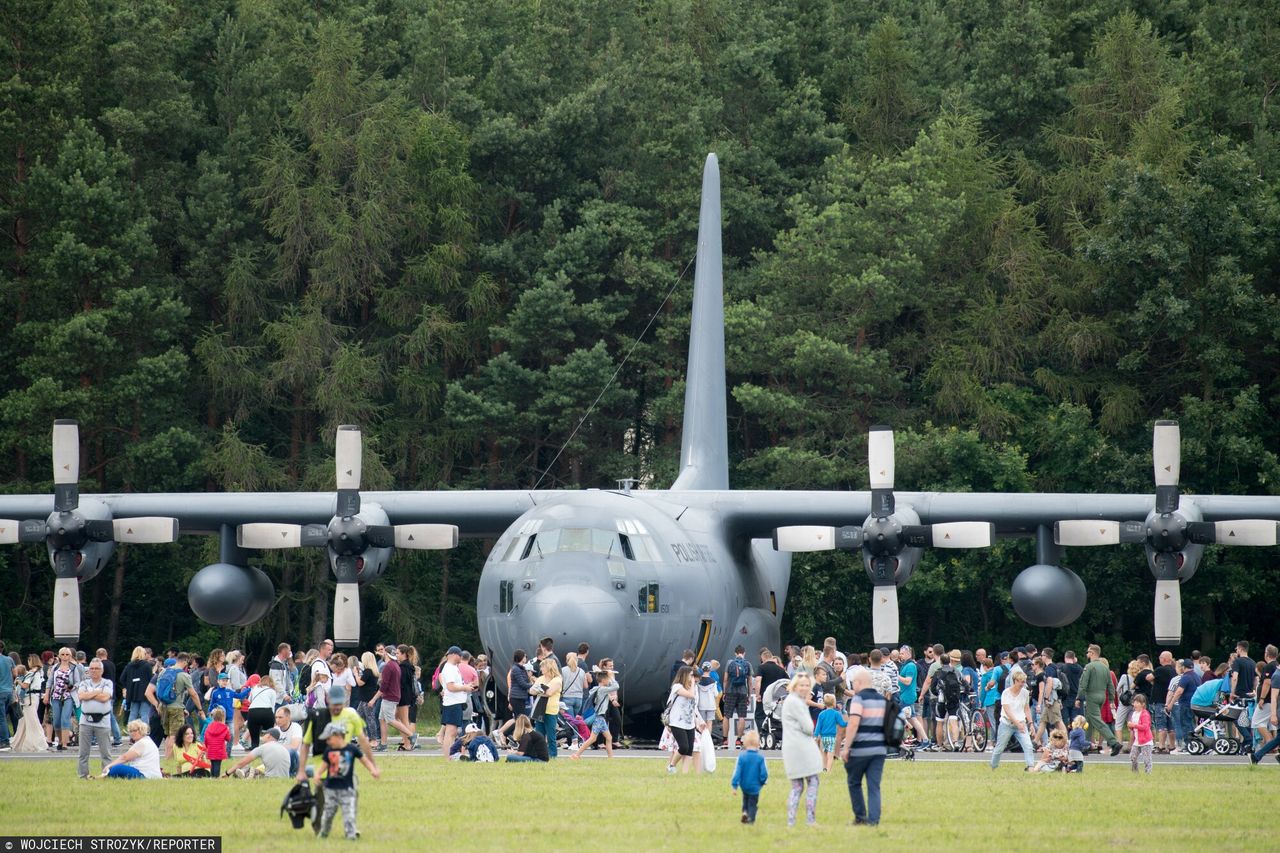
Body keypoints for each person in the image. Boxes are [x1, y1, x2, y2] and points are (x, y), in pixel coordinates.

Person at [313, 722, 379, 840]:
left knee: (349, 813)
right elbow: (324, 765)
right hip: (330, 789)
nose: (327, 742)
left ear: (338, 736)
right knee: (328, 813)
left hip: (347, 789)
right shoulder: (329, 750)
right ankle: (324, 832)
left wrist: (372, 770)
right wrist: (317, 774)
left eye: (329, 739)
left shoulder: (352, 749)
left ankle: (351, 834)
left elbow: (364, 760)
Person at [839, 668, 886, 827]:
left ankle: (860, 817)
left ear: (859, 683)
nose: (853, 687)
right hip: (879, 749)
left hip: (860, 749)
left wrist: (846, 747)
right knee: (874, 786)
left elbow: (853, 723)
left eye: (853, 684)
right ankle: (874, 821)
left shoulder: (858, 699)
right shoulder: (881, 700)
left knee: (854, 782)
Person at [781, 672, 821, 826]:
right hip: (801, 747)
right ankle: (809, 820)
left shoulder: (790, 700)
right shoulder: (796, 702)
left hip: (791, 746)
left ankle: (792, 821)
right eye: (802, 685)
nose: (805, 688)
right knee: (812, 782)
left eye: (807, 685)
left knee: (797, 786)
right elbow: (809, 727)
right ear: (795, 686)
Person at [1075, 644, 1121, 756]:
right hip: (1102, 697)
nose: (1087, 654)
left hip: (1092, 696)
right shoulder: (1105, 668)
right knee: (1089, 721)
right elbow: (1111, 685)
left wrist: (1079, 697)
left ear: (1092, 653)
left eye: (1088, 652)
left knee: (1097, 721)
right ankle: (1085, 745)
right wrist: (1110, 699)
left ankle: (1113, 742)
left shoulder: (1089, 667)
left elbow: (1083, 684)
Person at [75, 659, 114, 779]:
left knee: (105, 752)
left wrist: (90, 694)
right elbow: (81, 696)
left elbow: (105, 698)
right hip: (85, 720)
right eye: (91, 668)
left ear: (102, 670)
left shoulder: (107, 683)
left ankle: (106, 774)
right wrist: (97, 692)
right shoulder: (84, 683)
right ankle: (83, 775)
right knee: (83, 752)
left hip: (103, 721)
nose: (94, 671)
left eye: (97, 668)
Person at [990, 668, 1035, 770]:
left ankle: (1030, 766)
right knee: (1000, 748)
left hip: (1021, 723)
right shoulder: (1006, 693)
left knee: (1028, 746)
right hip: (1007, 723)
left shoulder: (1025, 693)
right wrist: (1017, 723)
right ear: (1015, 681)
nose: (1023, 684)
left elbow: (1026, 708)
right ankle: (993, 766)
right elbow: (1007, 710)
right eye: (1021, 682)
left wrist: (1031, 723)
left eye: (1024, 682)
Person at [570, 668, 619, 759]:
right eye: (608, 679)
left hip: (600, 718)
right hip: (598, 717)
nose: (609, 681)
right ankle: (576, 755)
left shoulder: (596, 689)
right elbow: (616, 686)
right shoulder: (602, 690)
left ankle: (611, 758)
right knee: (593, 738)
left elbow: (607, 695)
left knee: (608, 738)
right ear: (604, 680)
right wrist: (612, 677)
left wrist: (612, 700)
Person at [663, 666, 702, 773]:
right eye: (691, 675)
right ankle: (671, 766)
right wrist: (693, 684)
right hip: (677, 722)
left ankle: (685, 772)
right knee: (683, 747)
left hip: (689, 723)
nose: (693, 677)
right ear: (685, 675)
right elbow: (690, 695)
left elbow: (694, 706)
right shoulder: (677, 687)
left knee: (690, 749)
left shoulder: (694, 688)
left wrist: (698, 721)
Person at [43, 647, 83, 751]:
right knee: (56, 721)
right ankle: (60, 740)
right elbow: (50, 682)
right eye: (63, 654)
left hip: (68, 696)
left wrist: (71, 687)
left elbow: (78, 682)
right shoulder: (55, 667)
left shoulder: (74, 668)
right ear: (59, 656)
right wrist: (47, 695)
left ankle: (65, 743)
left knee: (65, 719)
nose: (65, 657)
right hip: (56, 695)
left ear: (70, 656)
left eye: (67, 655)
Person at [440, 645, 476, 757]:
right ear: (453, 655)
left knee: (453, 732)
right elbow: (450, 687)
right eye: (459, 655)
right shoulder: (449, 668)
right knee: (450, 732)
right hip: (452, 703)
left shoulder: (453, 667)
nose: (461, 657)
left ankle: (450, 755)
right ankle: (447, 757)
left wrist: (465, 685)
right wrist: (465, 688)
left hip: (455, 703)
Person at [223, 726, 292, 778]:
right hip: (285, 777)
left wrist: (227, 773)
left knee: (246, 766)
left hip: (269, 777)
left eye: (264, 734)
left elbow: (243, 762)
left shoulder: (263, 747)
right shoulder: (284, 748)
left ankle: (244, 773)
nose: (262, 736)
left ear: (268, 736)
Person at [731, 729, 768, 824]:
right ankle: (751, 818)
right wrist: (763, 781)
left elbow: (737, 772)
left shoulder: (742, 757)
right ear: (758, 743)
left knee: (745, 799)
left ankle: (744, 812)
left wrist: (734, 785)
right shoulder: (760, 758)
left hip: (744, 785)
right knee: (753, 803)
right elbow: (764, 773)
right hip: (755, 786)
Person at [528, 657, 562, 759]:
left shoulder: (557, 680)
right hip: (539, 709)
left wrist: (540, 689)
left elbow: (550, 693)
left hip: (550, 710)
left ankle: (552, 755)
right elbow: (531, 691)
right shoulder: (541, 678)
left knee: (551, 735)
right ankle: (540, 754)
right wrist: (542, 689)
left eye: (542, 667)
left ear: (548, 667)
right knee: (539, 735)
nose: (541, 669)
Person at [1166, 658, 1200, 753]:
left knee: (1185, 725)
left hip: (1185, 704)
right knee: (1192, 725)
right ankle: (1194, 744)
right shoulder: (1196, 676)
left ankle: (1188, 745)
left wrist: (1171, 704)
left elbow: (1179, 691)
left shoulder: (1185, 677)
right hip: (1194, 704)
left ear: (1184, 667)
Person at [12, 663, 48, 752]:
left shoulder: (29, 675)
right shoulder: (33, 674)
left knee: (32, 721)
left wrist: (18, 682)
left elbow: (25, 686)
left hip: (29, 700)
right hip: (27, 699)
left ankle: (37, 743)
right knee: (24, 722)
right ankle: (21, 742)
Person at [722, 646, 752, 748]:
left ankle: (725, 740)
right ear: (744, 653)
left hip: (730, 691)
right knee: (742, 716)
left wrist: (724, 692)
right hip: (743, 693)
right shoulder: (747, 664)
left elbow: (725, 679)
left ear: (735, 653)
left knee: (727, 716)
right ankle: (738, 740)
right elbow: (750, 681)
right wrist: (748, 694)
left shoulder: (730, 663)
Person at [244, 673, 278, 749]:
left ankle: (254, 746)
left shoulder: (255, 688)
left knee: (254, 732)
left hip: (253, 712)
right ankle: (268, 746)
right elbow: (272, 706)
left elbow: (250, 700)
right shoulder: (272, 691)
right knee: (269, 731)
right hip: (266, 711)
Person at [815, 693, 846, 772]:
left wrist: (815, 735)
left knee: (824, 753)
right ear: (834, 703)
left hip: (823, 738)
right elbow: (842, 724)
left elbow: (818, 726)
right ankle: (828, 770)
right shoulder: (836, 713)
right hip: (831, 737)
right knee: (830, 754)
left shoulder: (821, 714)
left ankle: (824, 768)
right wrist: (850, 722)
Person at [1127, 694, 1154, 773]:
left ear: (1143, 704)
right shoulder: (1134, 714)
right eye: (1134, 702)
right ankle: (1135, 772)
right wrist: (1130, 726)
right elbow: (1133, 726)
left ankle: (1148, 773)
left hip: (1145, 741)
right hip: (1137, 741)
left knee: (1147, 759)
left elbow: (1145, 727)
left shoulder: (1145, 714)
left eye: (1138, 702)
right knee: (1133, 756)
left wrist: (1134, 725)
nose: (1135, 704)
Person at [203, 707, 232, 777]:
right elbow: (228, 738)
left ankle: (212, 777)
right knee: (217, 765)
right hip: (219, 750)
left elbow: (206, 738)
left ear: (213, 717)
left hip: (211, 750)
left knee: (212, 764)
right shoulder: (224, 727)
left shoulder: (209, 727)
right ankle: (216, 778)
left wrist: (206, 747)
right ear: (222, 717)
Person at [559, 652, 587, 720]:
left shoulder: (563, 670)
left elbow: (559, 684)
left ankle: (575, 731)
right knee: (573, 719)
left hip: (567, 698)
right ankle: (576, 730)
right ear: (577, 659)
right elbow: (585, 686)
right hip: (579, 698)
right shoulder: (582, 671)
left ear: (567, 660)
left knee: (571, 721)